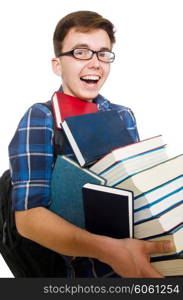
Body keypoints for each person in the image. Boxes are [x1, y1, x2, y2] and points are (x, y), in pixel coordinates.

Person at [8, 10, 172, 278]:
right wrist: (111, 251)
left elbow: (135, 191)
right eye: (81, 52)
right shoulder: (40, 118)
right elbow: (28, 219)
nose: (95, 63)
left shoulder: (123, 115)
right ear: (57, 65)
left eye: (103, 53)